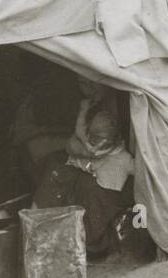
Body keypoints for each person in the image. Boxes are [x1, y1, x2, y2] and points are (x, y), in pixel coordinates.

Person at [32, 88, 136, 261]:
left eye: (100, 140)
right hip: (86, 201)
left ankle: (87, 245)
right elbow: (74, 150)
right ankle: (39, 227)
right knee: (60, 173)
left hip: (104, 204)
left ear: (112, 140)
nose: (95, 144)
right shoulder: (84, 150)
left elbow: (142, 173)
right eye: (92, 138)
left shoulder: (123, 159)